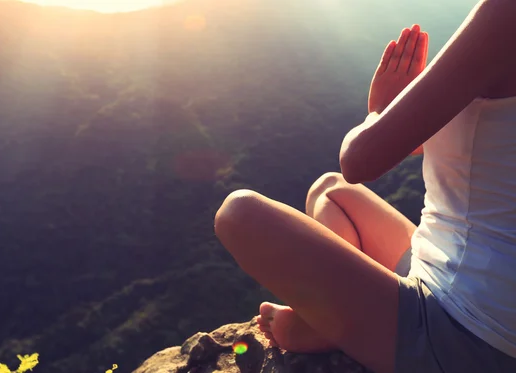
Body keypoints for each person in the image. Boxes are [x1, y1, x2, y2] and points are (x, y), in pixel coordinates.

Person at [213, 0, 516, 372]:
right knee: (331, 191)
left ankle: (326, 326)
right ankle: (335, 320)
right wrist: (398, 114)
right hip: (464, 272)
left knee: (239, 213)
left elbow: (360, 160)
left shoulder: (504, 15)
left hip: (471, 333)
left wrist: (379, 112)